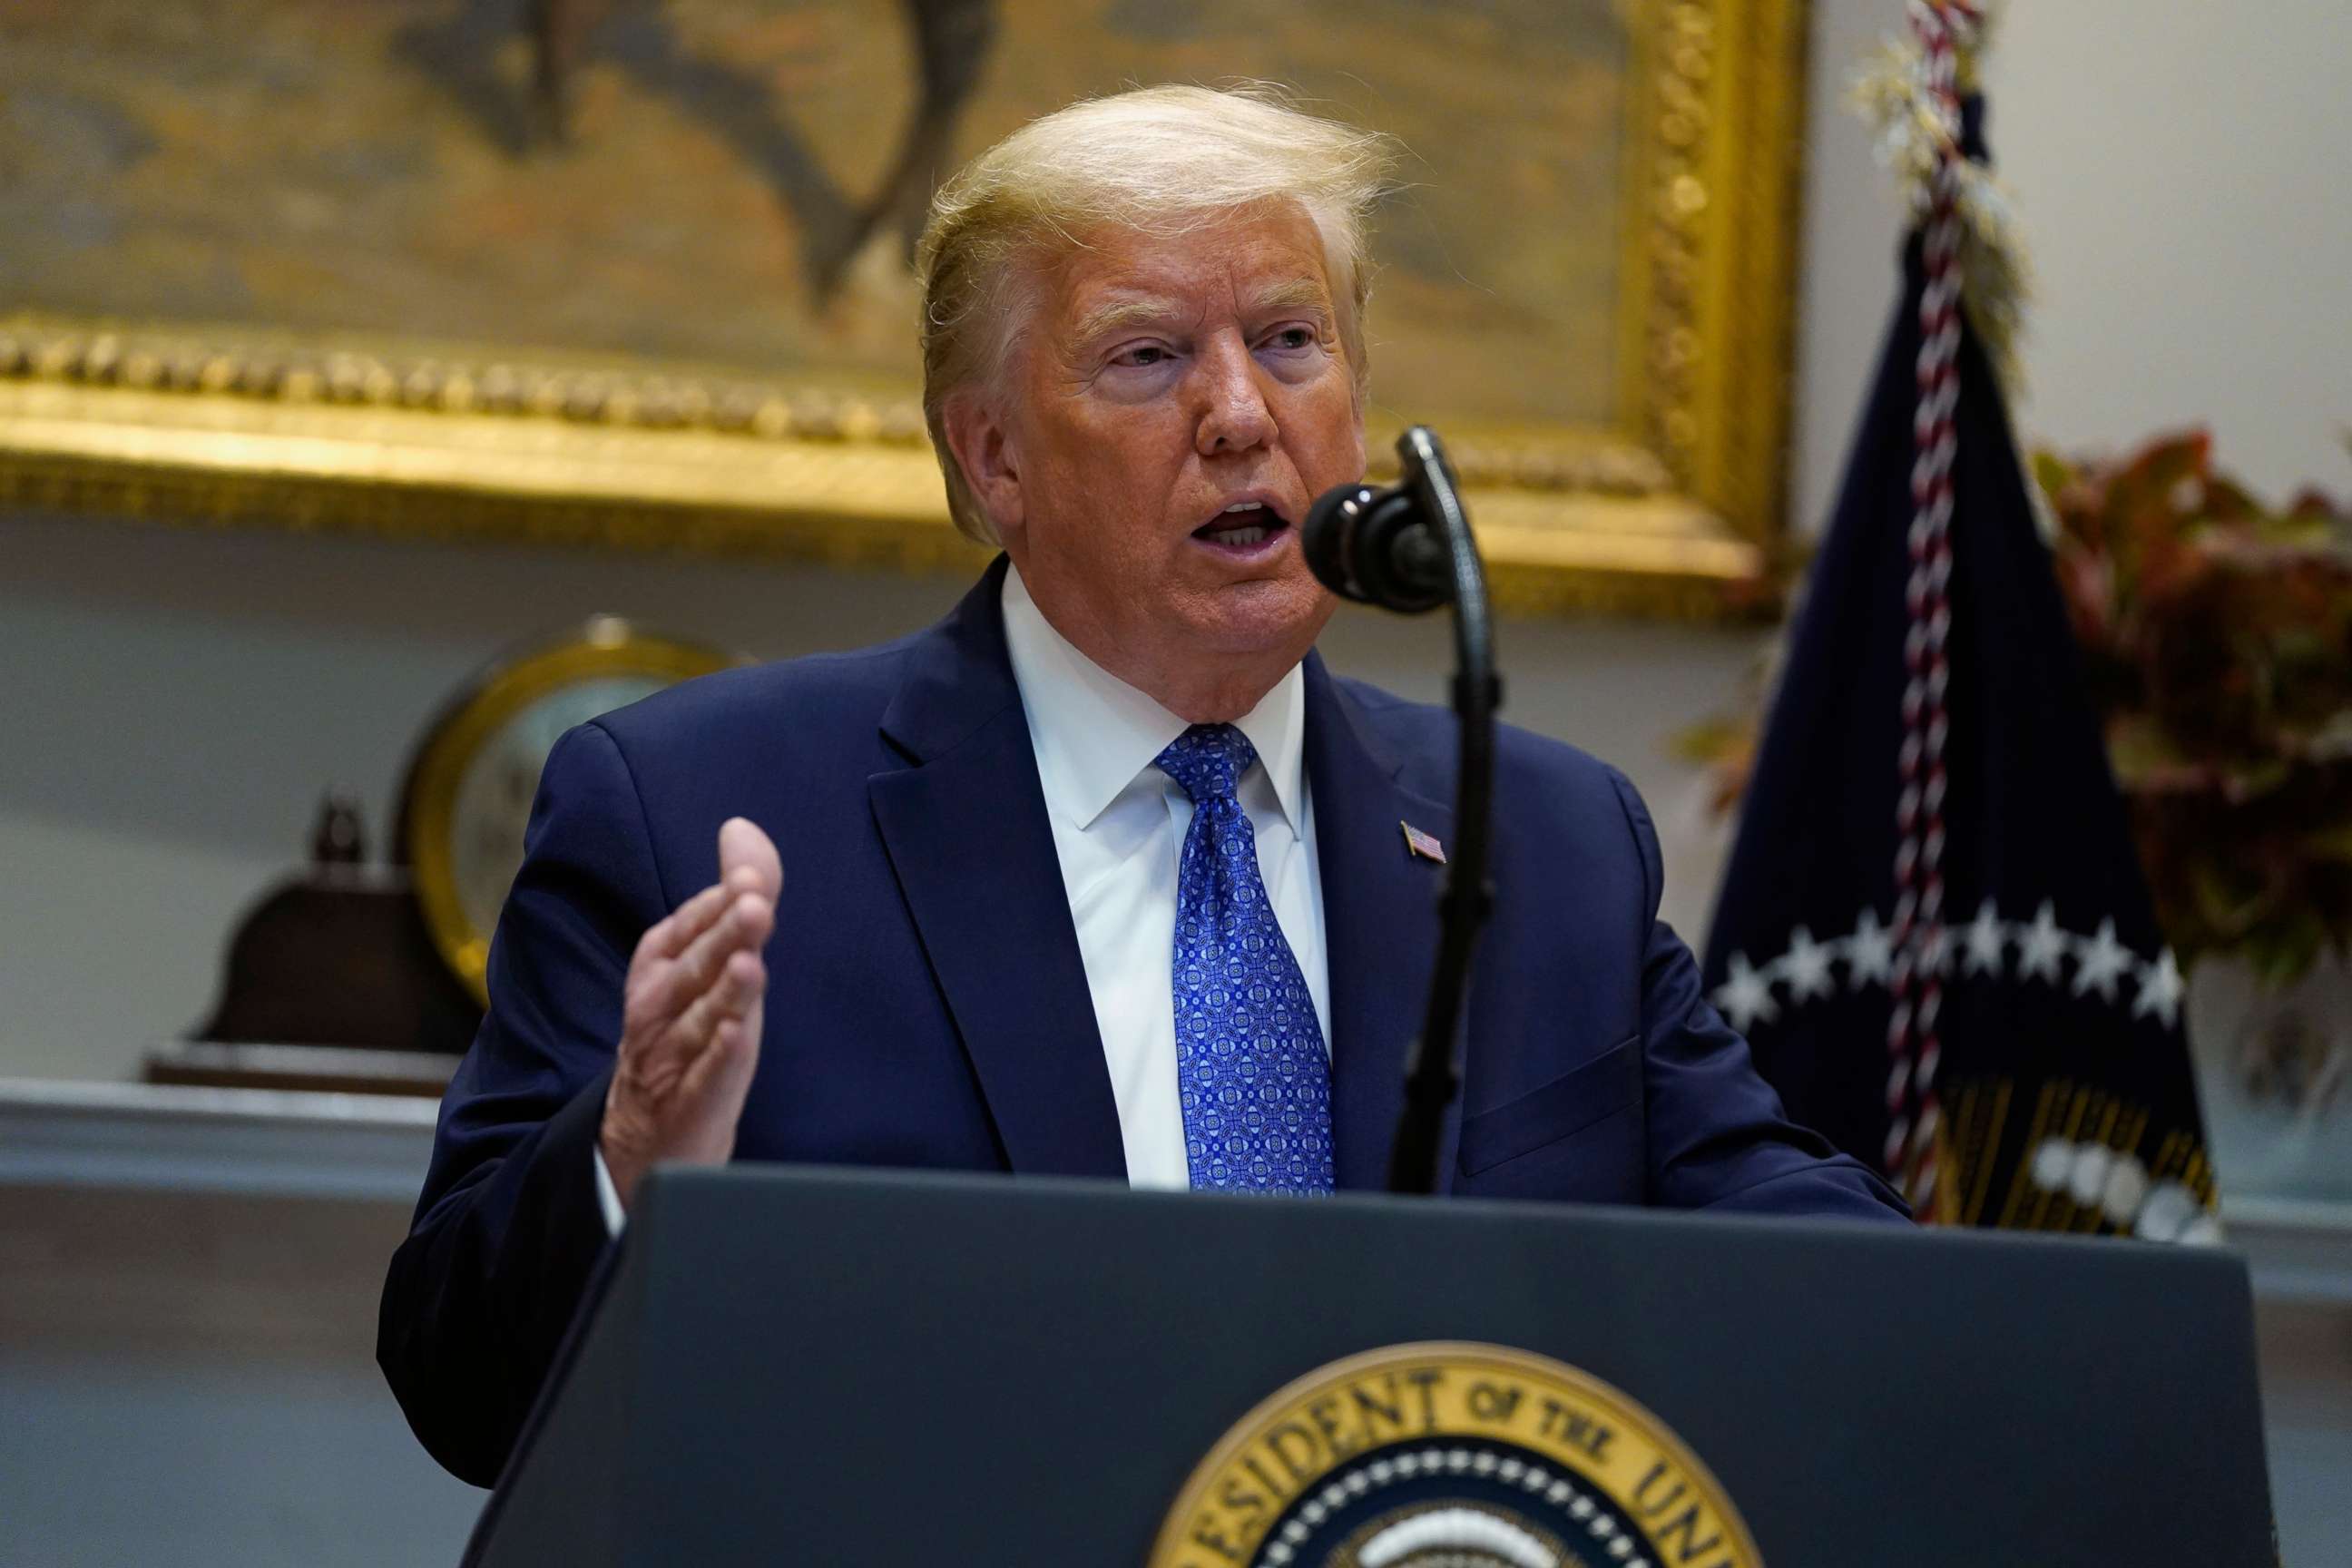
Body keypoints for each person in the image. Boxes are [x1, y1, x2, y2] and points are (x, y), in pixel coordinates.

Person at [378, 83, 1904, 1487]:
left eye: (1292, 342)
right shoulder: (701, 812)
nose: (1243, 414)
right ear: (994, 462)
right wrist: (630, 1157)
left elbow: (1787, 1255)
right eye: (1149, 356)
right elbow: (462, 1389)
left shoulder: (1549, 839)